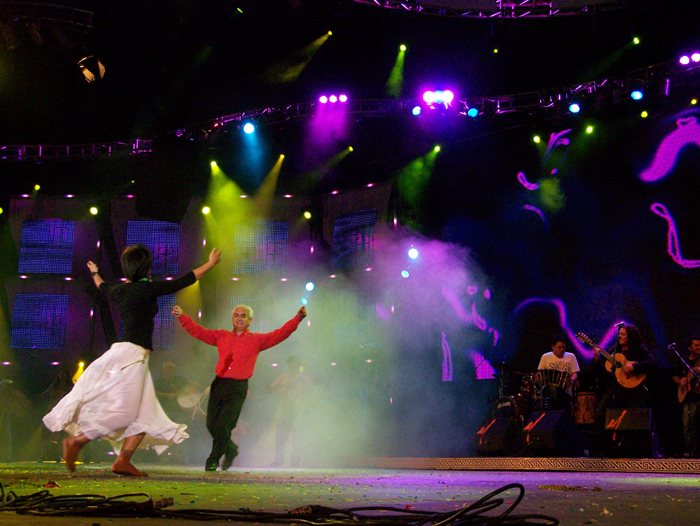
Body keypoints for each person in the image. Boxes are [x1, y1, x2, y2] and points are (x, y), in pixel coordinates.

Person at [43, 244, 221, 476]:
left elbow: (103, 287)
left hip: (126, 353)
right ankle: (78, 442)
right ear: (147, 267)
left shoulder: (122, 290)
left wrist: (95, 272)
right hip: (133, 356)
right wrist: (210, 263)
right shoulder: (147, 289)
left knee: (144, 413)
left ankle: (123, 460)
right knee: (125, 414)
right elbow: (186, 280)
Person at [172, 303, 307, 471]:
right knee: (211, 424)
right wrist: (182, 317)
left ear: (250, 320)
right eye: (236, 315)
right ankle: (230, 450)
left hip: (238, 387)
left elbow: (280, 334)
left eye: (243, 316)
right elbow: (198, 331)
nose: (239, 318)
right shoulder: (222, 336)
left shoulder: (256, 340)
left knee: (225, 426)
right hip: (219, 384)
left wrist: (298, 319)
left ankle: (213, 459)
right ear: (232, 319)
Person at [267, 355, 312, 467]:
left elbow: (311, 390)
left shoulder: (303, 378)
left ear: (298, 366)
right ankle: (278, 460)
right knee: (280, 436)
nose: (292, 367)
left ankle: (295, 461)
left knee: (297, 437)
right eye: (290, 365)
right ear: (288, 366)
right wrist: (268, 388)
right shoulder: (283, 377)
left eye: (294, 365)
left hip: (298, 410)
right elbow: (272, 388)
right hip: (286, 409)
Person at [537, 335, 580, 415]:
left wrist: (572, 379)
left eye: (563, 347)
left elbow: (574, 373)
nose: (562, 349)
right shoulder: (546, 357)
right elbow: (540, 373)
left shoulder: (571, 356)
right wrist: (539, 378)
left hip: (565, 389)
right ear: (553, 347)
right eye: (559, 347)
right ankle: (557, 414)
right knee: (553, 389)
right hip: (548, 388)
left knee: (561, 393)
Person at [672, 335, 700, 458]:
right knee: (688, 426)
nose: (699, 347)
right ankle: (690, 452)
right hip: (689, 398)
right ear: (689, 348)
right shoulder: (684, 361)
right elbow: (675, 376)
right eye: (696, 345)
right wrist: (681, 382)